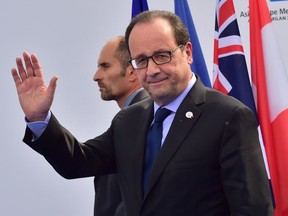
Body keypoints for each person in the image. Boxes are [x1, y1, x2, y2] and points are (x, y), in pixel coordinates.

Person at [11, 10, 273, 216]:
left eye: (162, 56)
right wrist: (38, 119)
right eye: (141, 60)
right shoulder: (129, 120)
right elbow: (77, 161)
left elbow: (252, 210)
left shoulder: (228, 116)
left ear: (188, 53)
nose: (152, 70)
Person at [93, 36, 149, 216]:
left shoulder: (147, 116)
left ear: (133, 72)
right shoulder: (129, 120)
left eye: (105, 66)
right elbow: (78, 159)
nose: (96, 76)